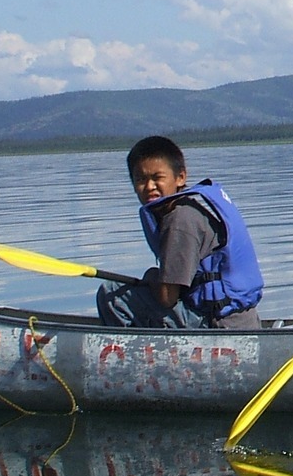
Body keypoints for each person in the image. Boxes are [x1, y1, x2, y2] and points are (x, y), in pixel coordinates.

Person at [97, 135, 265, 330]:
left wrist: (152, 278)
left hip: (218, 324)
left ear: (180, 177)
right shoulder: (188, 208)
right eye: (141, 179)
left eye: (157, 178)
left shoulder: (179, 220)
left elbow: (167, 298)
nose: (150, 186)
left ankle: (126, 353)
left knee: (111, 294)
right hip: (240, 319)